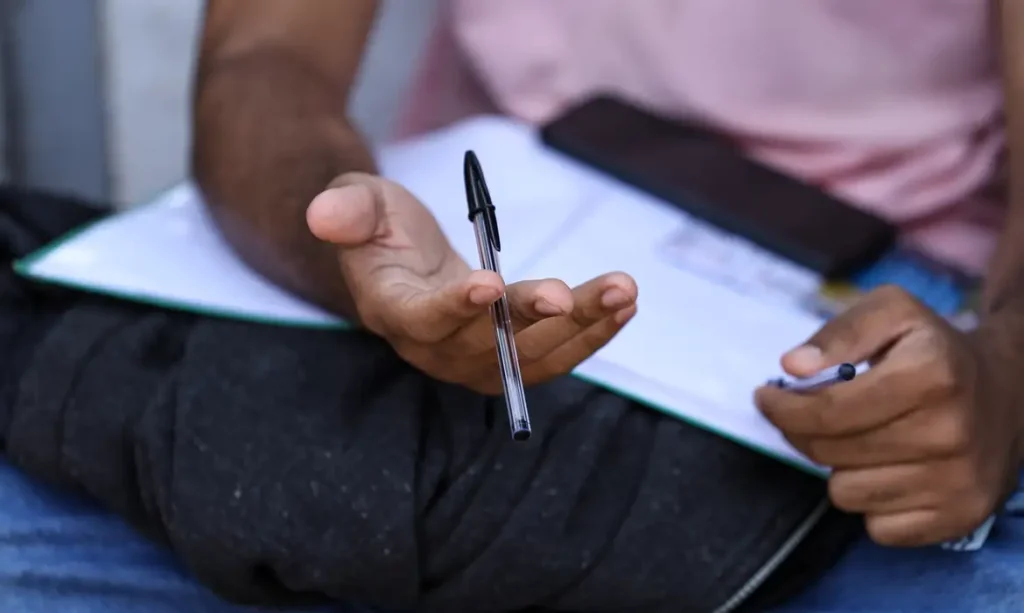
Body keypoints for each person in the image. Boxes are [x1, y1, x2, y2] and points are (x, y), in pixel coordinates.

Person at [1, 0, 1022, 611]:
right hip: (471, 230)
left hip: (890, 311)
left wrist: (1003, 376)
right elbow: (266, 63)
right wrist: (346, 246)